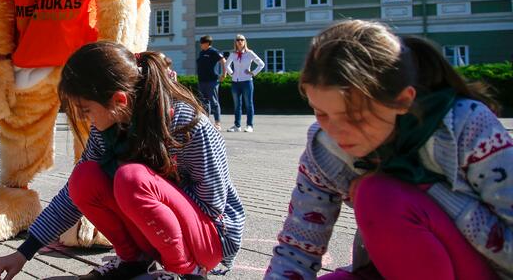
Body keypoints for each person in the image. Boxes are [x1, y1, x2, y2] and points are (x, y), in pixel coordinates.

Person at [266, 20, 512, 279]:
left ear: (403, 100)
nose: (336, 131)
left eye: (354, 116)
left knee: (377, 194)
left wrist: (429, 190)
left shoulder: (464, 126)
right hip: (404, 269)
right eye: (321, 113)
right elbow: (297, 247)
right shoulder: (324, 149)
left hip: (488, 268)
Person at [0, 42, 245, 280]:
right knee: (84, 179)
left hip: (211, 239)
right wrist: (24, 251)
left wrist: (149, 188)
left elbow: (213, 204)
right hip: (161, 236)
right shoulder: (109, 127)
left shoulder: (187, 124)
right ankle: (133, 261)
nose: (86, 120)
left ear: (118, 100)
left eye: (87, 110)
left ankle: (184, 272)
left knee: (130, 179)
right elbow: (71, 196)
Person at [224, 35, 264, 133]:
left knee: (249, 104)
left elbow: (261, 64)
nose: (240, 41)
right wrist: (231, 73)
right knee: (237, 105)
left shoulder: (249, 53)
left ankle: (249, 125)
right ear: (235, 42)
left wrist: (253, 73)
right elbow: (226, 64)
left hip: (247, 81)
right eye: (238, 40)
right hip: (235, 82)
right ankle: (237, 125)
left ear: (244, 41)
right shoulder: (233, 54)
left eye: (242, 40)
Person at [195, 35, 225, 131]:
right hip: (202, 81)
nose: (200, 44)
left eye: (202, 43)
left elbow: (223, 61)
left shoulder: (213, 52)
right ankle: (206, 121)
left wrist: (224, 74)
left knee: (214, 102)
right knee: (204, 102)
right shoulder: (201, 53)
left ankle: (217, 123)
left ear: (207, 43)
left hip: (212, 81)